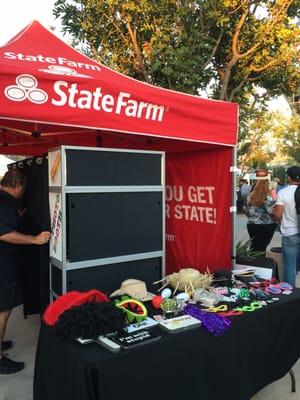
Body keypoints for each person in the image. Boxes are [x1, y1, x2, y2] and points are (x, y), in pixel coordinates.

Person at [0, 169, 51, 374]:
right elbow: (4, 234)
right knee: (2, 312)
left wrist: (17, 216)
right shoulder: (3, 204)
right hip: (2, 268)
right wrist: (34, 239)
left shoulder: (5, 203)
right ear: (19, 185)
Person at [274, 166, 300, 287]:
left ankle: (291, 295)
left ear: (288, 177)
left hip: (290, 233)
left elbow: (278, 214)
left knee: (290, 266)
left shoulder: (283, 192)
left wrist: (280, 223)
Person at [245, 179, 277, 255]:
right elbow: (272, 211)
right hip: (266, 225)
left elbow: (246, 211)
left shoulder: (250, 196)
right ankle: (260, 264)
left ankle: (251, 262)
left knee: (254, 246)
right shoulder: (267, 197)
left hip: (251, 225)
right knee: (262, 248)